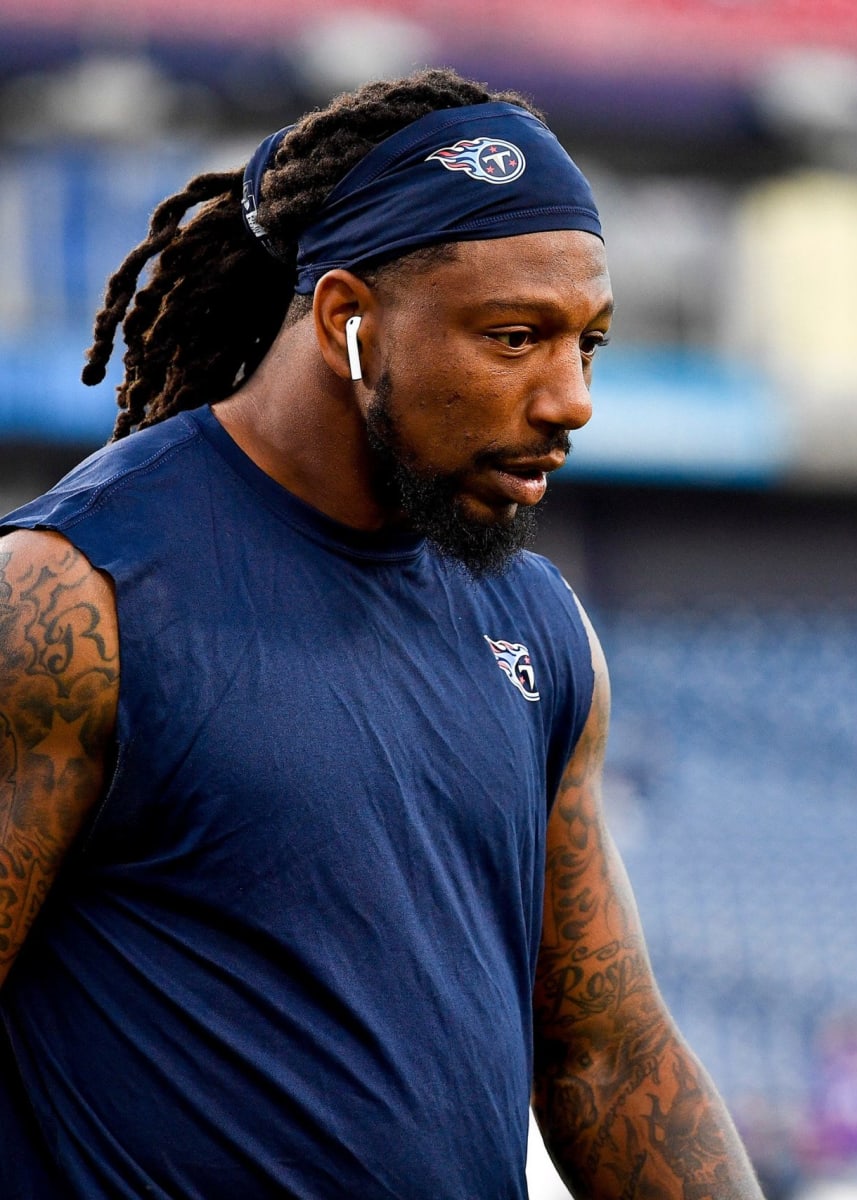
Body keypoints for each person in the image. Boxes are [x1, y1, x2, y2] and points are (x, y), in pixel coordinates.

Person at [0, 67, 765, 1199]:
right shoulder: (71, 599)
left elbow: (604, 1061)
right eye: (516, 338)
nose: (572, 398)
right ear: (347, 320)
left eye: (587, 344)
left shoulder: (537, 628)